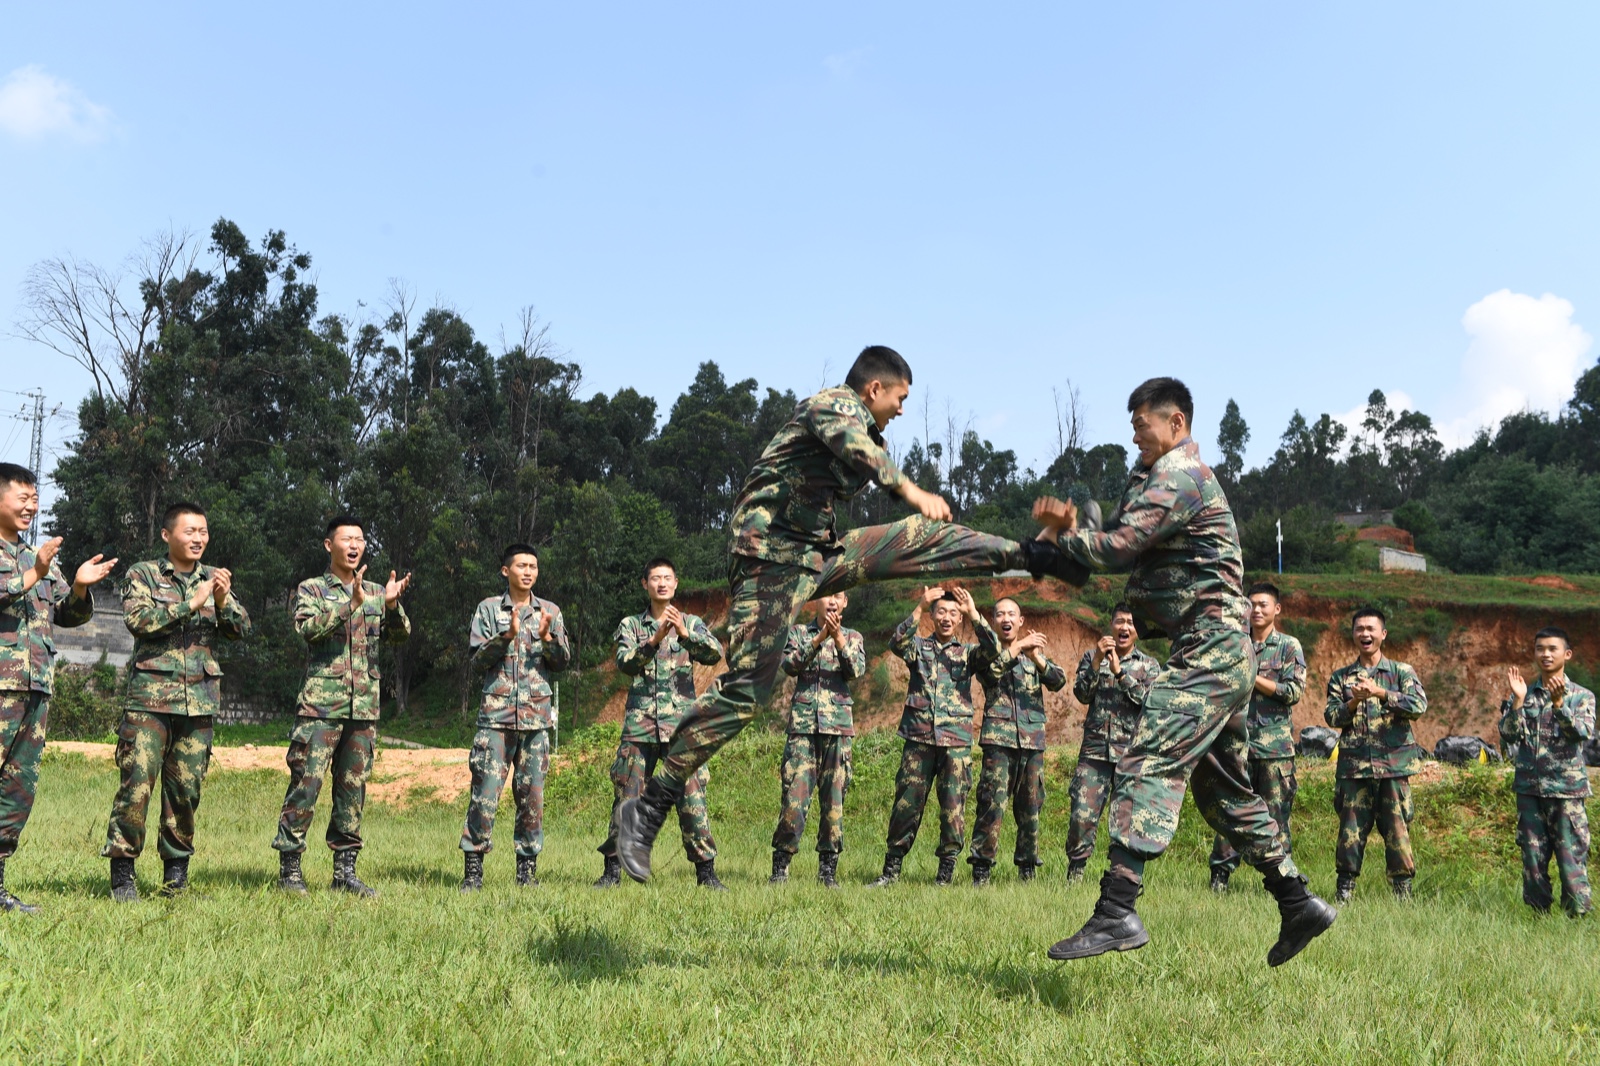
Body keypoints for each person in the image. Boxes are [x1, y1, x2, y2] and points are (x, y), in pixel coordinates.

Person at [614, 346, 1085, 882]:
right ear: (874, 389)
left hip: (817, 555)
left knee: (919, 537)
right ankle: (649, 805)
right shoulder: (830, 405)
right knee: (750, 688)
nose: (903, 410)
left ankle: (1034, 554)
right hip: (767, 560)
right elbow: (854, 447)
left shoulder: (861, 427)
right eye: (901, 397)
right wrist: (907, 488)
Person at [1034, 377, 1335, 967]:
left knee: (1149, 755)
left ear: (1176, 424)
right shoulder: (1157, 481)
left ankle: (1117, 908)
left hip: (1212, 652)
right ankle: (1297, 901)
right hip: (1214, 654)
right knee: (1221, 790)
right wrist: (1073, 533)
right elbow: (1127, 549)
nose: (1135, 437)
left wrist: (1070, 535)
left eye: (1142, 426)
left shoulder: (1183, 477)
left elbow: (1119, 547)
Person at [103, 502, 251, 902]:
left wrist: (220, 601)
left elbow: (241, 628)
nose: (198, 538)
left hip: (198, 703)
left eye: (203, 532)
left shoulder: (213, 578)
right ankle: (122, 876)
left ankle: (176, 878)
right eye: (190, 531)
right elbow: (139, 621)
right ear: (168, 535)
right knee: (137, 787)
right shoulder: (144, 574)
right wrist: (192, 602)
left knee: (186, 791)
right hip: (150, 702)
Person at [272, 516, 410, 897]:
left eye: (360, 539)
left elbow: (401, 635)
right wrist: (350, 604)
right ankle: (290, 869)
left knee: (352, 789)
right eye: (347, 539)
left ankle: (345, 872)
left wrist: (393, 605)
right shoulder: (312, 589)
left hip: (363, 707)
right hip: (321, 706)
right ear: (328, 545)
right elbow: (307, 629)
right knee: (306, 784)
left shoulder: (378, 590)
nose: (354, 545)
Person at [0, 463, 116, 914]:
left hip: (34, 690)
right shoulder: (31, 564)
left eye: (34, 498)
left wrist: (82, 589)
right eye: (21, 497)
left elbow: (67, 615)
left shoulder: (38, 557)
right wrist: (34, 573)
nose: (30, 506)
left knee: (17, 789)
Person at [596, 558, 726, 890]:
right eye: (656, 578)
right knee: (627, 797)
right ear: (645, 584)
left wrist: (683, 634)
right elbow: (624, 663)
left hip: (680, 728)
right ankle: (612, 871)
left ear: (676, 583)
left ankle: (706, 874)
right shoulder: (631, 625)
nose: (662, 583)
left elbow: (714, 654)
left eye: (668, 578)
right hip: (640, 728)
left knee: (692, 797)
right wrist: (653, 641)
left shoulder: (692, 622)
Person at [868, 586, 996, 887]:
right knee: (906, 804)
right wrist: (920, 606)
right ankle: (891, 872)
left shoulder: (968, 654)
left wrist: (974, 614)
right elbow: (896, 642)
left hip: (955, 741)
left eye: (953, 613)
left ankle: (945, 874)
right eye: (941, 612)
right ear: (933, 616)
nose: (947, 618)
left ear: (960, 619)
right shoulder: (919, 648)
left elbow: (994, 651)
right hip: (919, 738)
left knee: (953, 807)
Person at [459, 544, 570, 890]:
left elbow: (562, 662)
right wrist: (506, 636)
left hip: (536, 722)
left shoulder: (550, 611)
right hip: (496, 719)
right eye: (521, 565)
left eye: (533, 566)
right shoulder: (489, 610)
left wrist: (549, 639)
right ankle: (473, 872)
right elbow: (477, 661)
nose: (528, 571)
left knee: (532, 799)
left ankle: (527, 873)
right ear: (505, 571)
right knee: (485, 795)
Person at [1324, 606, 1427, 902]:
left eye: (1371, 629)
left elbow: (1418, 706)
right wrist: (1354, 702)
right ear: (1353, 634)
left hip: (1393, 766)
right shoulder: (1342, 677)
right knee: (1350, 832)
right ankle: (1344, 892)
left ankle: (1402, 893)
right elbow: (1331, 717)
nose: (1365, 634)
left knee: (1397, 831)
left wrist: (1381, 694)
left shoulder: (1401, 672)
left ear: (1383, 634)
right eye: (1359, 629)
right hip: (1354, 768)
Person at [1208, 581, 1307, 892]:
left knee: (1276, 818)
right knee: (1230, 812)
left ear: (1276, 609)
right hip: (1236, 747)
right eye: (1252, 605)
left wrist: (1253, 679)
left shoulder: (1289, 646)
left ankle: (1282, 883)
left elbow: (1293, 692)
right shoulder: (1235, 645)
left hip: (1275, 751)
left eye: (1264, 604)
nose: (1257, 610)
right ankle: (1220, 878)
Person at [967, 597, 1067, 885]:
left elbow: (1058, 680)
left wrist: (1036, 657)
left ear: (1021, 621)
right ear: (994, 621)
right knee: (992, 804)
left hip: (1032, 742)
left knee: (1031, 807)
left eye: (1012, 614)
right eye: (1000, 614)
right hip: (999, 741)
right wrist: (1018, 648)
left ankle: (1027, 869)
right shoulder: (987, 652)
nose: (1006, 618)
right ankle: (982, 869)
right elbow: (990, 674)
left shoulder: (1032, 656)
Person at [770, 591, 864, 887]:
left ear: (846, 602)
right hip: (803, 729)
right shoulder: (799, 633)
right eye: (826, 596)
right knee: (794, 798)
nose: (832, 601)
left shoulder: (853, 636)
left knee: (834, 801)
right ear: (816, 601)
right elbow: (789, 665)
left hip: (837, 729)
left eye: (838, 596)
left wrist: (838, 640)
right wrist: (819, 637)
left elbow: (856, 671)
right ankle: (780, 868)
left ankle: (827, 871)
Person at [1499, 627, 1592, 915]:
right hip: (1529, 790)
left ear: (1567, 654)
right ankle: (1538, 915)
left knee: (1571, 856)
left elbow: (1583, 733)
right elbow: (1508, 736)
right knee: (1532, 856)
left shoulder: (1581, 696)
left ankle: (1576, 917)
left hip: (1566, 790)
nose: (1546, 654)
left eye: (1552, 648)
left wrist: (1560, 705)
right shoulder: (1525, 694)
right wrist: (1516, 702)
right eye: (1540, 648)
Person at [1064, 604, 1158, 883]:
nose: (1124, 627)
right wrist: (1096, 663)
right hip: (1094, 752)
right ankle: (1076, 873)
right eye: (1119, 622)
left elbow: (1150, 704)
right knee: (1082, 816)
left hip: (1131, 755)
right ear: (1111, 625)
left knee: (1125, 820)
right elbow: (1081, 694)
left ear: (1137, 630)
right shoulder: (1093, 657)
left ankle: (1120, 878)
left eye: (1130, 622)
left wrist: (1120, 674)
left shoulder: (1150, 665)